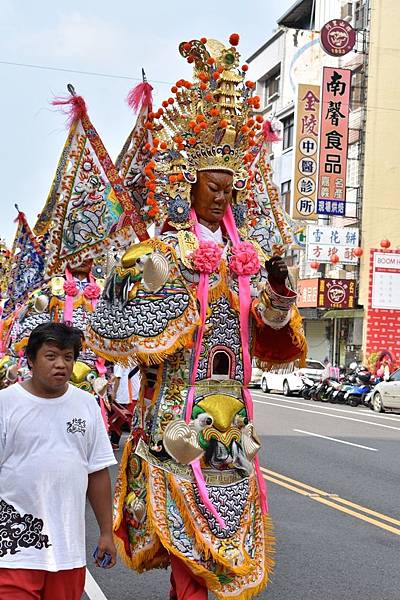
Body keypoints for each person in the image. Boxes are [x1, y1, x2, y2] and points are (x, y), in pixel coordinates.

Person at [87, 34, 306, 599]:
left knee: (226, 541)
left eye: (229, 189)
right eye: (212, 186)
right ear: (191, 185)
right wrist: (169, 299)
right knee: (188, 548)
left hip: (231, 420)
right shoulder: (164, 253)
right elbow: (115, 328)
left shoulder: (247, 257)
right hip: (178, 415)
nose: (221, 198)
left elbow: (273, 330)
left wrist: (280, 292)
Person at [0, 322, 117, 600]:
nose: (61, 365)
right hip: (12, 550)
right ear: (30, 360)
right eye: (51, 356)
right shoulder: (6, 403)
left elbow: (97, 473)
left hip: (67, 552)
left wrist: (106, 533)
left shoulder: (86, 404)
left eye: (68, 357)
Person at [109, 364, 141, 449]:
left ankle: (115, 442)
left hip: (120, 396)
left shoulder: (120, 362)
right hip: (125, 395)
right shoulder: (124, 360)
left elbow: (118, 378)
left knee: (116, 420)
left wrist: (114, 392)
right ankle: (115, 442)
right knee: (119, 420)